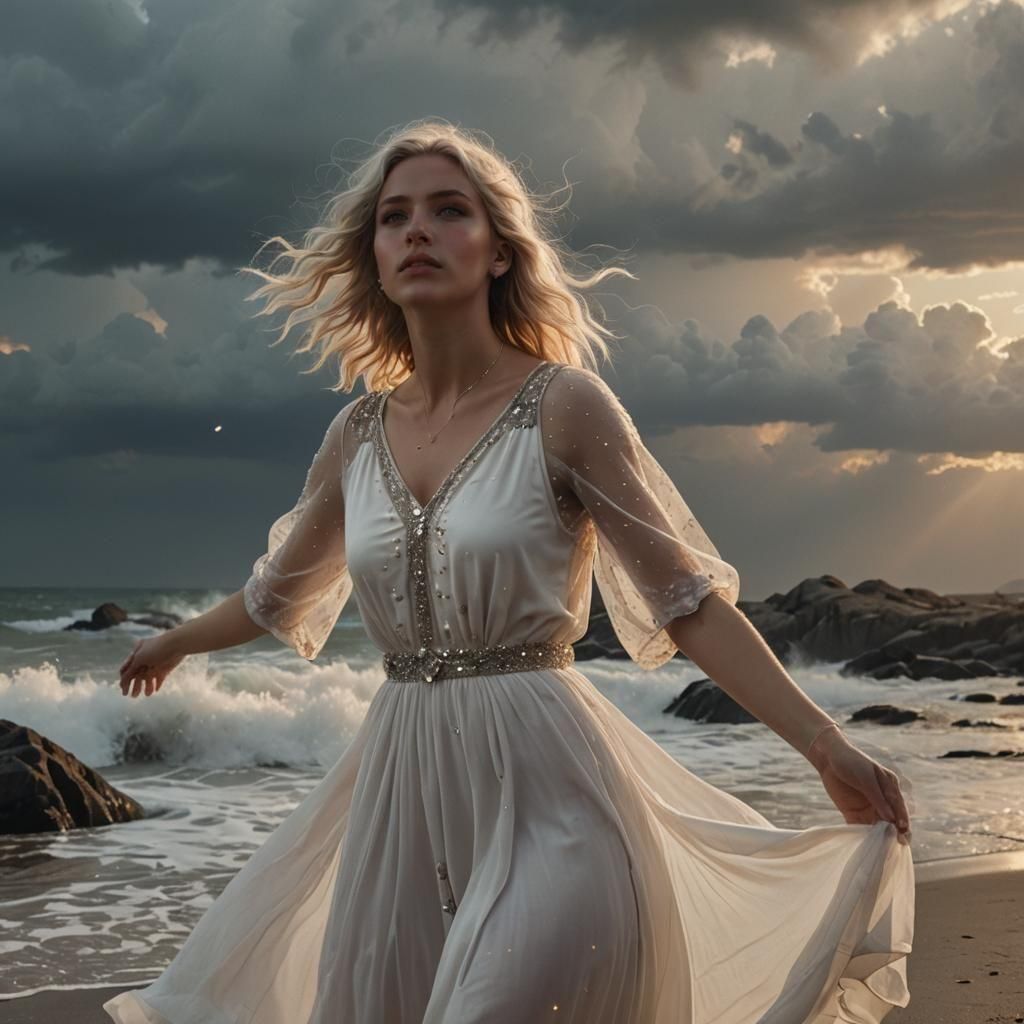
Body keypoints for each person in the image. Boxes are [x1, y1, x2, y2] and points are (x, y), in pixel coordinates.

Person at [105, 119, 914, 1024]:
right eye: (394, 216)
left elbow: (687, 604)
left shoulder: (564, 407)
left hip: (555, 795)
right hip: (399, 805)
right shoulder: (353, 438)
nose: (418, 230)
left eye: (450, 211)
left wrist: (825, 744)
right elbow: (275, 595)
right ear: (372, 255)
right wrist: (176, 640)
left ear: (498, 251)